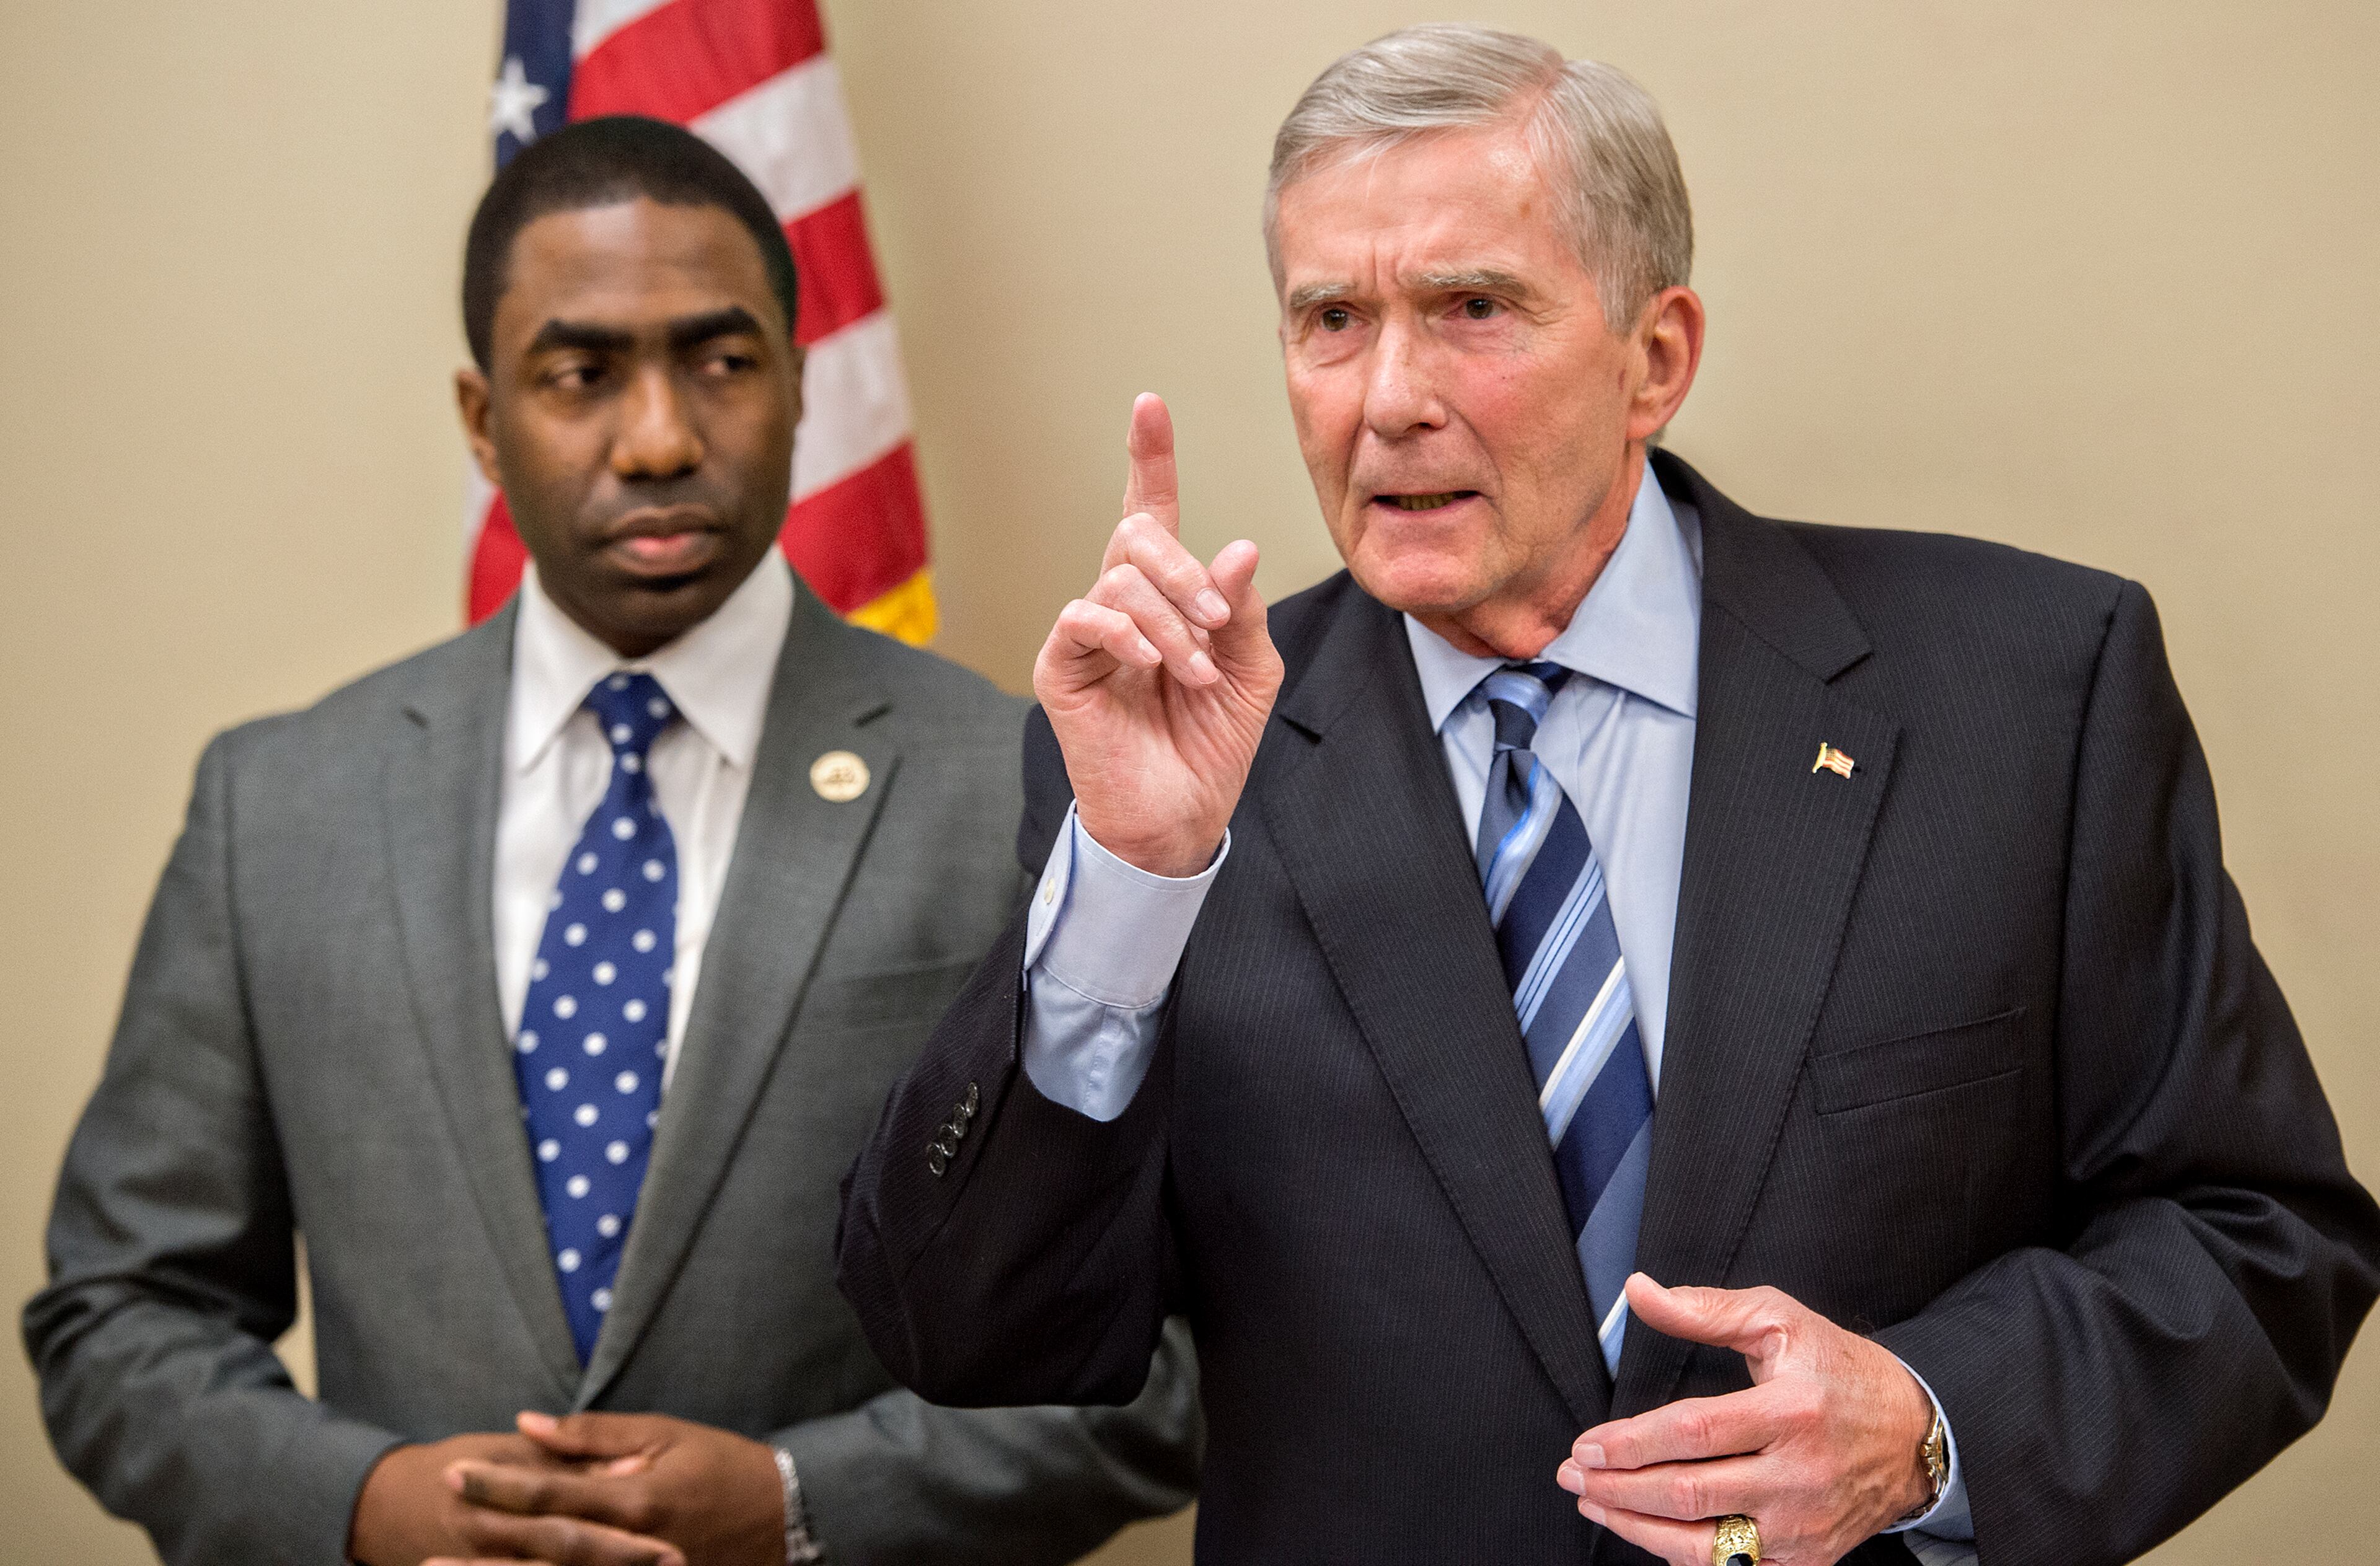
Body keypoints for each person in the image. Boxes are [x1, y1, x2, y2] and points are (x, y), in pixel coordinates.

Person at [837, 25, 2380, 1566]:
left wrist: (1928, 1424)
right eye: (1331, 318)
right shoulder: (1163, 771)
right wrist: (1127, 886)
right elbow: (978, 1339)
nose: (1388, 399)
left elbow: (2260, 1242)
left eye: (1472, 310)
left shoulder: (2031, 694)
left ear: (1657, 357)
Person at [26, 116, 1199, 1566]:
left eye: (721, 363)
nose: (658, 438)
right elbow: (120, 1312)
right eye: (582, 375)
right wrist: (362, 1508)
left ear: (796, 380)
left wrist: (799, 1502)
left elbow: (1169, 1355)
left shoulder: (1024, 784)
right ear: (481, 417)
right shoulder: (279, 807)